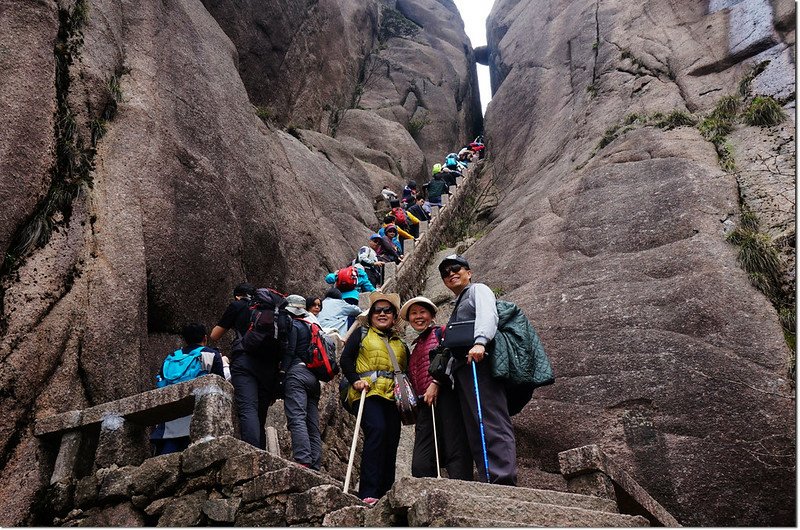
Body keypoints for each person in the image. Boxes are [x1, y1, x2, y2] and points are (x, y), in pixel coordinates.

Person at [438, 254, 517, 485]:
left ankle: (502, 477)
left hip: (479, 362)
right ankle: (488, 476)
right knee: (475, 425)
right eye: (445, 272)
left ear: (469, 272)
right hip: (464, 367)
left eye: (456, 268)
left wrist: (480, 341)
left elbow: (487, 314)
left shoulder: (477, 290)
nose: (451, 273)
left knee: (490, 418)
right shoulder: (460, 301)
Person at [340, 292, 408, 505]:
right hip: (367, 392)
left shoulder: (401, 344)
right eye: (377, 310)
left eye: (387, 310)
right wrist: (355, 381)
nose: (382, 313)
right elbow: (346, 360)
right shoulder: (361, 334)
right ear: (370, 316)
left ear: (394, 316)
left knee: (391, 440)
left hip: (392, 398)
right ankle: (368, 491)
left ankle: (386, 491)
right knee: (377, 431)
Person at [399, 297, 473, 480]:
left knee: (454, 446)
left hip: (447, 396)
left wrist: (437, 383)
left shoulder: (441, 333)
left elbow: (453, 358)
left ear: (432, 315)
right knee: (421, 462)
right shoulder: (415, 347)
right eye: (413, 313)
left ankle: (460, 488)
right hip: (425, 403)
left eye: (422, 312)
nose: (418, 317)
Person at [209, 282, 282, 449]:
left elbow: (215, 335)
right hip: (269, 366)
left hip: (245, 361)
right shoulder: (272, 312)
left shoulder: (237, 305)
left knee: (248, 408)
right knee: (260, 414)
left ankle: (252, 453)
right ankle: (262, 453)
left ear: (237, 295)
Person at [152, 323, 225, 455]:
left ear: (184, 339)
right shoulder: (210, 355)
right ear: (205, 338)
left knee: (167, 458)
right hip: (199, 418)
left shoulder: (172, 357)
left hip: (170, 421)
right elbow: (220, 385)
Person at [281, 295, 323, 470]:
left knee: (297, 417)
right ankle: (315, 463)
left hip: (297, 374)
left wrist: (283, 371)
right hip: (313, 377)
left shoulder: (294, 326)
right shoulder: (313, 326)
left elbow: (290, 351)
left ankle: (302, 460)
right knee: (312, 422)